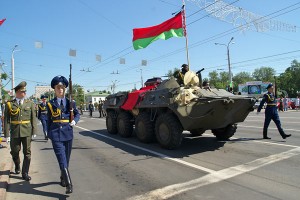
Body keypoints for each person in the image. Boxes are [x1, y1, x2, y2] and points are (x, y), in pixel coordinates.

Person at [46, 75, 80, 194]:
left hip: (68, 133)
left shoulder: (70, 102)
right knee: (62, 158)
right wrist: (49, 134)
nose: (60, 89)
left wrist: (74, 121)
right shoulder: (50, 104)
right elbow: (48, 120)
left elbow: (77, 114)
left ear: (65, 89)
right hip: (56, 134)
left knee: (66, 159)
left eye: (62, 87)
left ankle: (62, 177)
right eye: (58, 87)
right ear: (54, 90)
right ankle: (69, 184)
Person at [4, 81, 37, 181]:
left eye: (25, 91)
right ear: (17, 92)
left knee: (27, 153)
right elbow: (6, 120)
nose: (24, 93)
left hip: (27, 131)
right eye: (22, 92)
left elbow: (33, 118)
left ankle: (25, 172)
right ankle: (17, 165)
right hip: (15, 131)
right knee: (15, 151)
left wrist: (34, 131)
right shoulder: (10, 104)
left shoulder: (30, 103)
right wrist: (7, 134)